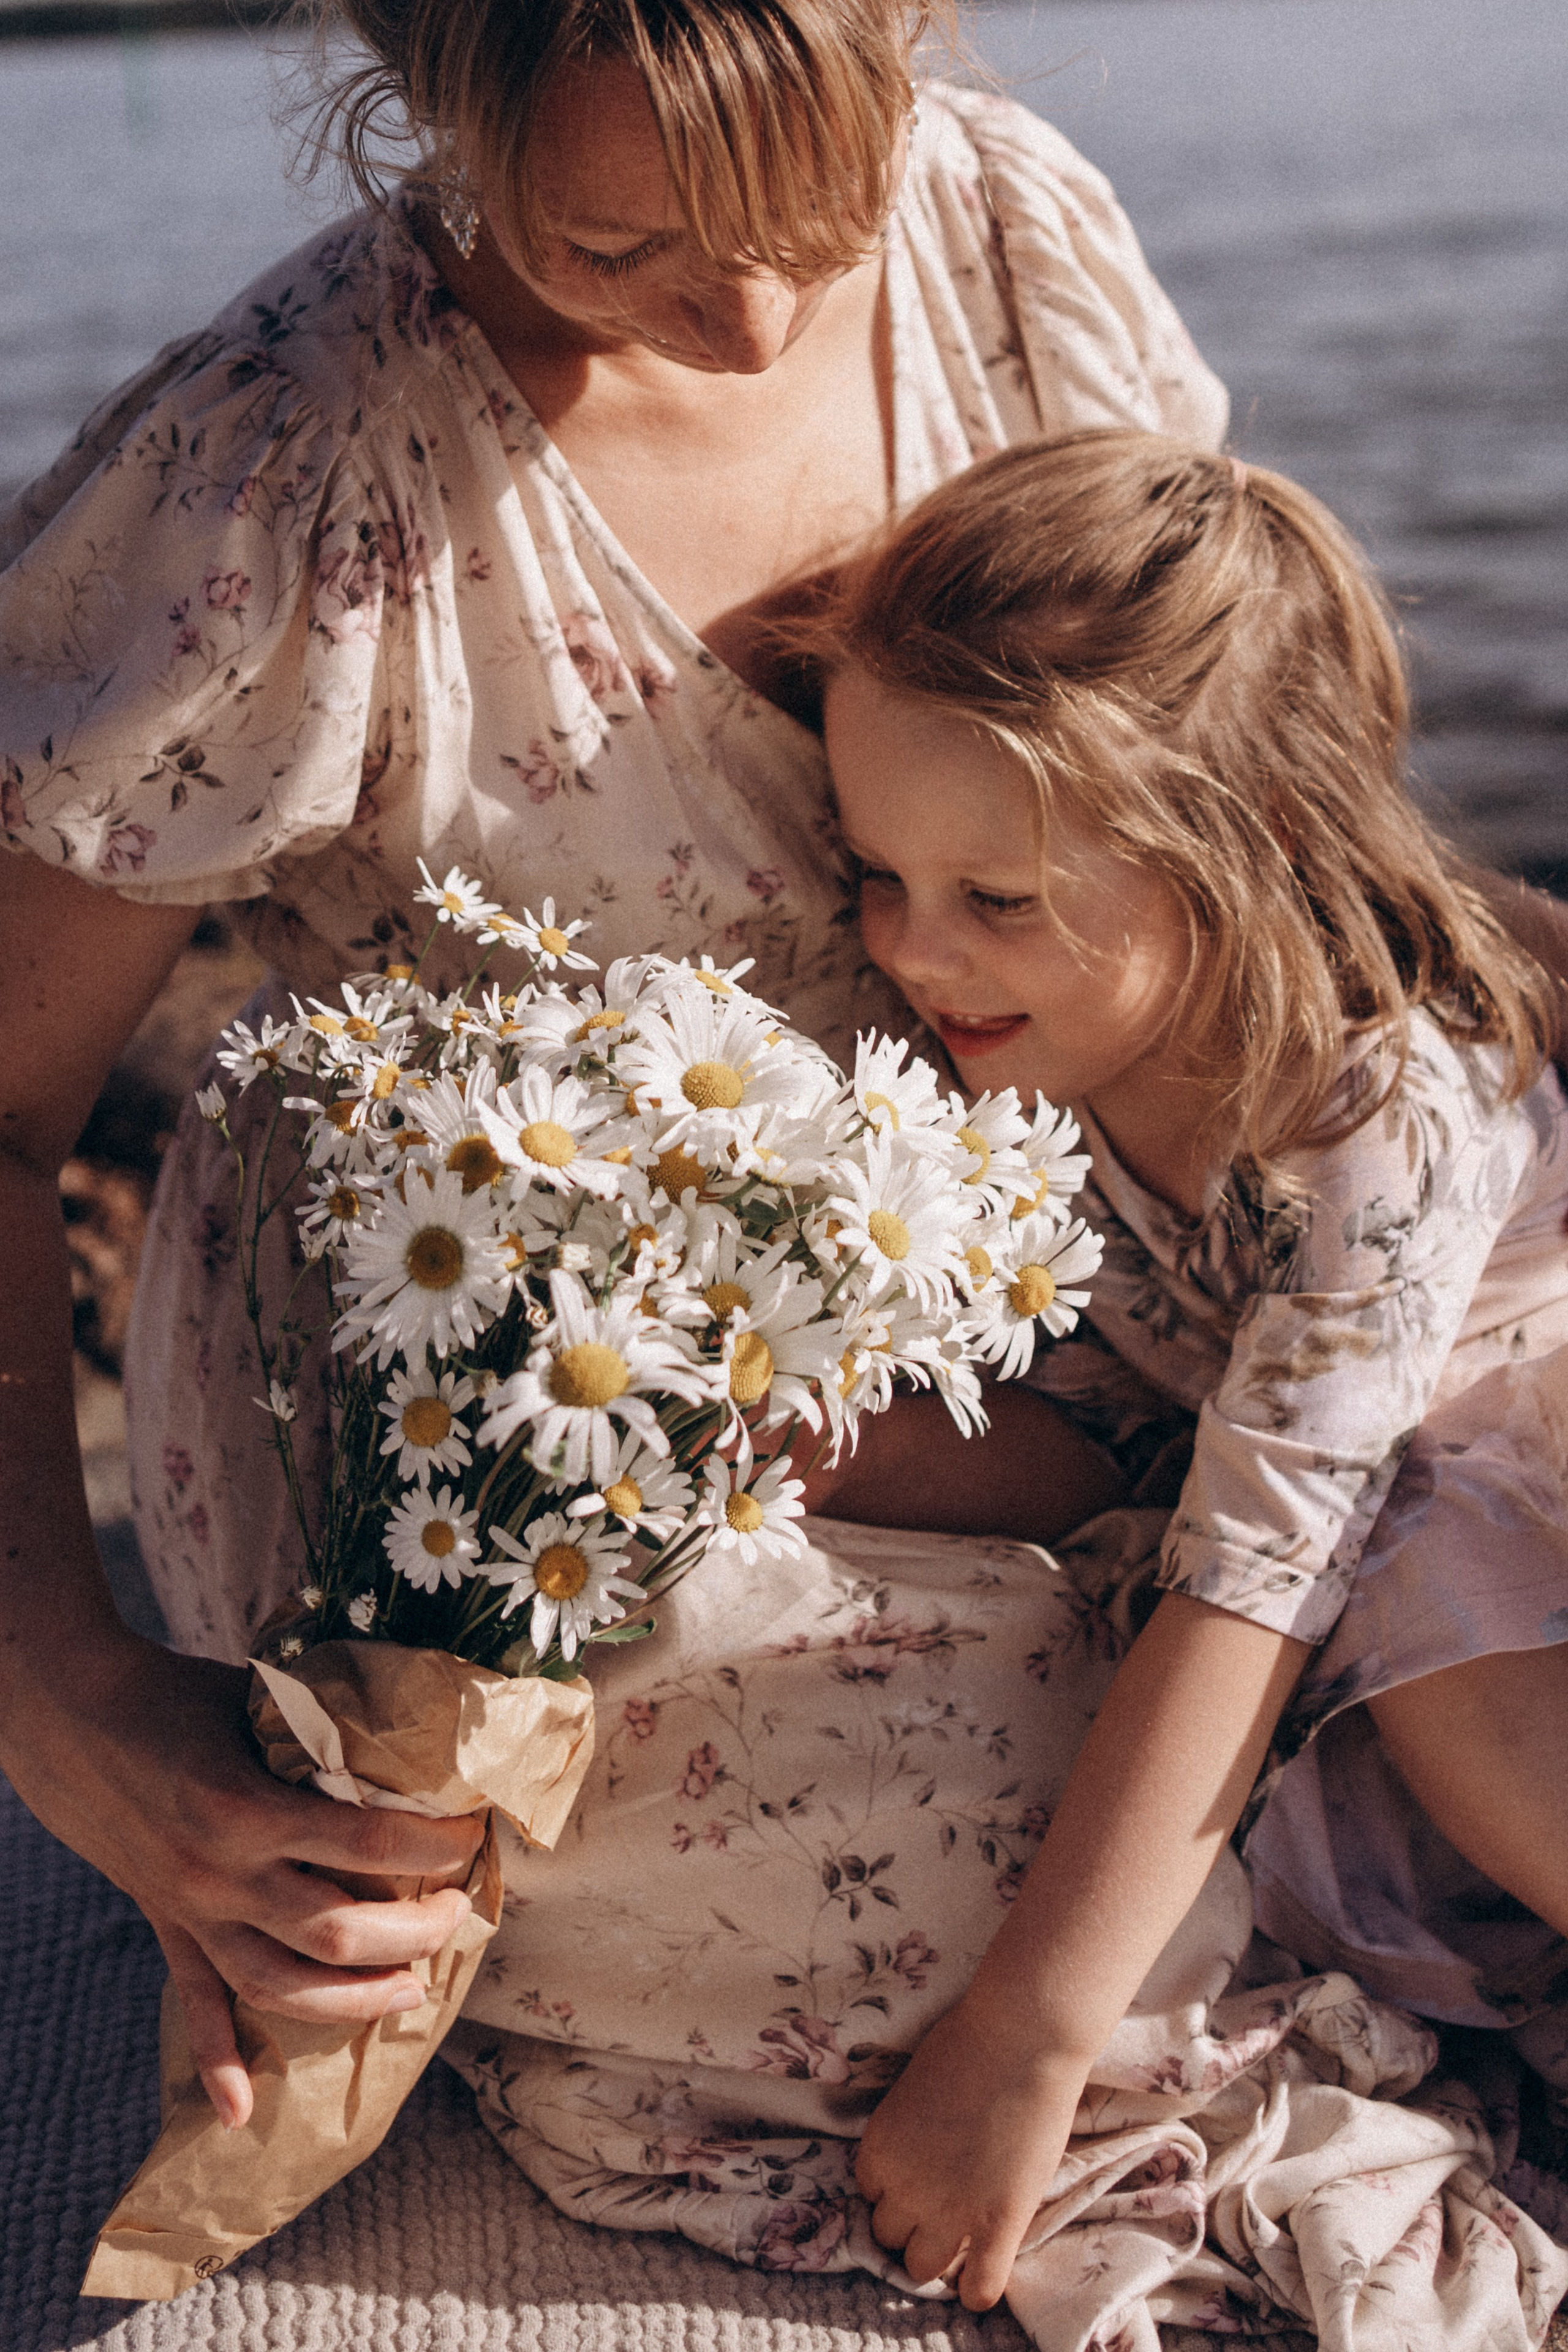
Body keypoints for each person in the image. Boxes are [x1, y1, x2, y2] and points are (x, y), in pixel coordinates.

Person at [0, 1, 1226, 2141]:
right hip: (537, 1379)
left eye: (820, 206)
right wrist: (62, 1691)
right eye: (617, 245)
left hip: (1041, 1242)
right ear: (422, 83)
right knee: (1010, 1863)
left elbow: (1240, 770)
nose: (751, 320)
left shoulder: (1007, 226)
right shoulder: (281, 478)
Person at [812, 429, 1568, 2304]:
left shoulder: (1377, 1107)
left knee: (1419, 1580)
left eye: (995, 898)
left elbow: (1269, 1560)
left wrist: (1023, 2041)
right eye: (878, 875)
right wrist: (813, 1439)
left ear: (1246, 855)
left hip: (1506, 1511)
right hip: (1325, 1526)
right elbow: (1120, 1431)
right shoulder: (1050, 1056)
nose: (915, 950)